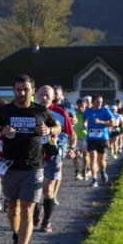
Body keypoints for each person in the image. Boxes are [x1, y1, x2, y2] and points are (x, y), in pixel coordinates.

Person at [0, 74, 59, 244]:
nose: (22, 93)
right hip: (11, 167)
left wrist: (49, 131)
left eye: (26, 90)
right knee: (12, 208)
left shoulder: (41, 110)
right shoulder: (3, 111)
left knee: (27, 208)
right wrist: (1, 132)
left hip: (34, 167)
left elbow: (58, 127)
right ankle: (16, 235)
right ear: (13, 90)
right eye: (18, 90)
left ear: (33, 91)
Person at [34, 85, 75, 233]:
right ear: (37, 96)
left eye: (47, 95)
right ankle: (36, 210)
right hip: (34, 155)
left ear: (53, 97)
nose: (44, 98)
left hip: (52, 155)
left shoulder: (60, 112)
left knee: (47, 189)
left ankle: (46, 221)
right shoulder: (31, 111)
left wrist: (72, 148)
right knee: (34, 189)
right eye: (41, 95)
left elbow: (71, 134)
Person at [83, 95, 117, 187]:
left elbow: (114, 123)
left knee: (101, 160)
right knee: (93, 157)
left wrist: (101, 122)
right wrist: (84, 125)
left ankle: (102, 170)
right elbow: (85, 120)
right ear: (92, 102)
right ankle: (94, 180)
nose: (100, 104)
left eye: (101, 102)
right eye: (98, 102)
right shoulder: (88, 111)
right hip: (91, 138)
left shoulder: (105, 111)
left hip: (103, 138)